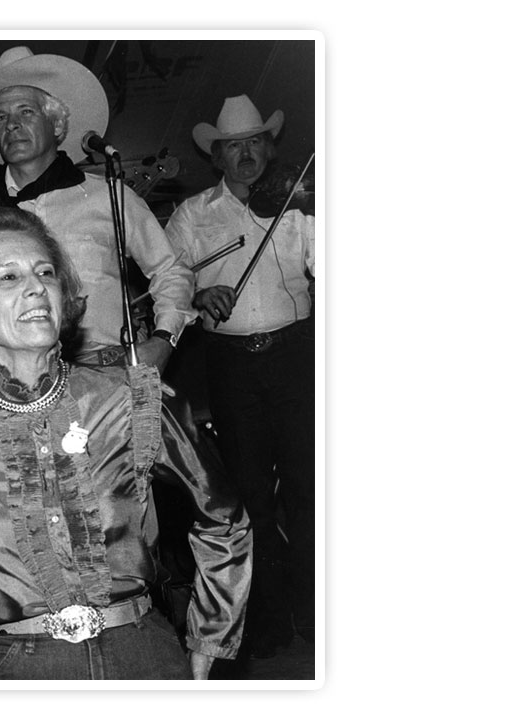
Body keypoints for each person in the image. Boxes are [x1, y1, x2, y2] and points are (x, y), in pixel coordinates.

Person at [0, 206, 250, 680]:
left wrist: (209, 639)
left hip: (143, 658)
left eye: (45, 272)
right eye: (8, 277)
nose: (36, 286)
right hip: (15, 673)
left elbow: (223, 519)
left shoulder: (131, 398)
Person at [164, 94, 315, 657]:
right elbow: (170, 282)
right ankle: (269, 626)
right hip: (230, 366)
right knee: (248, 498)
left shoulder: (297, 205)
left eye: (256, 143)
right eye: (234, 147)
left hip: (299, 355)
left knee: (310, 489)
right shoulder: (193, 215)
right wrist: (199, 293)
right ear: (218, 157)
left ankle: (319, 614)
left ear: (269, 149)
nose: (247, 154)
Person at [0, 47, 195, 371]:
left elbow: (170, 271)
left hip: (106, 375)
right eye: (1, 118)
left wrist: (164, 339)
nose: (12, 125)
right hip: (11, 383)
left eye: (26, 112)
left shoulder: (108, 196)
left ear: (57, 125)